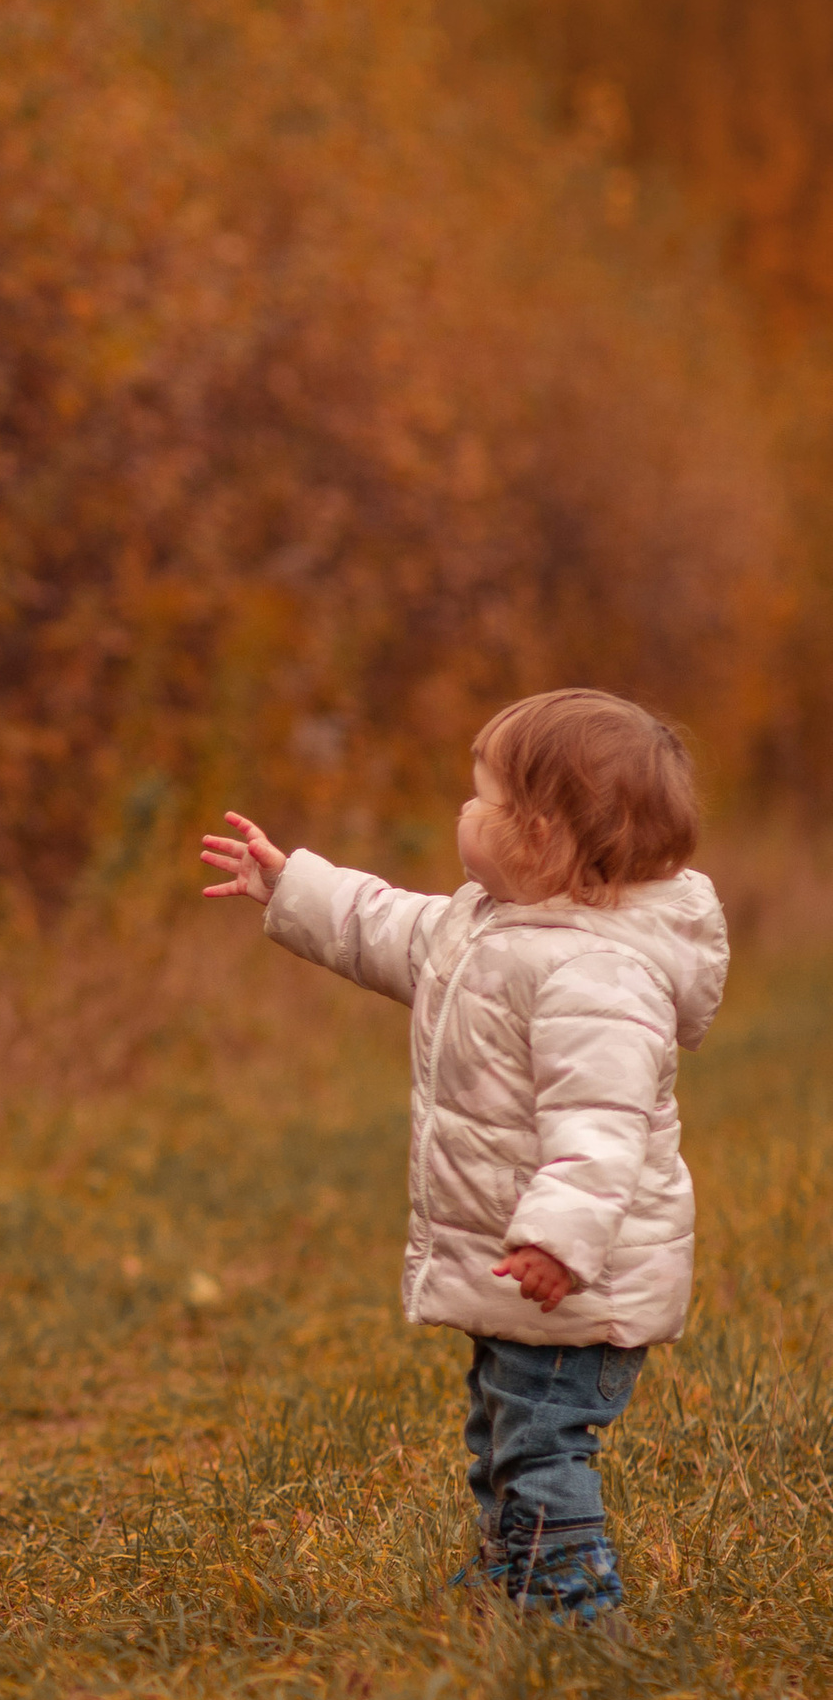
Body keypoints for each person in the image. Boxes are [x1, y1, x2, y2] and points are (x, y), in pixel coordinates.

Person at [200, 689, 729, 1630]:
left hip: (572, 1282)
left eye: (482, 801)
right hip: (526, 1273)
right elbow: (389, 926)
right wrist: (293, 887)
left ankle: (568, 1614)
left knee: (540, 1447)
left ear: (546, 838)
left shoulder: (598, 976)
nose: (463, 815)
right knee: (501, 1435)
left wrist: (559, 1242)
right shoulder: (491, 926)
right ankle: (508, 1573)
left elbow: (601, 1130)